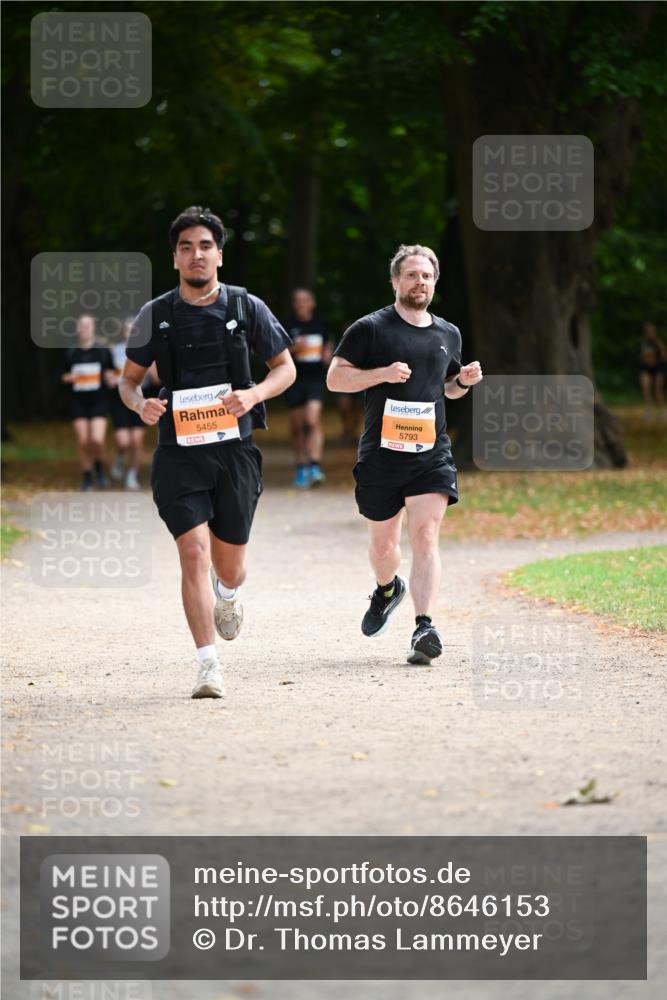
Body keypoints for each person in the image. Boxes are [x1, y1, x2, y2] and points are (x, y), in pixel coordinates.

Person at [120, 206, 295, 699]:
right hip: (178, 453)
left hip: (235, 452)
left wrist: (254, 395)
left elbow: (286, 368)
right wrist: (141, 406)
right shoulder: (155, 315)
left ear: (219, 253)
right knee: (192, 554)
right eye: (185, 247)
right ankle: (207, 664)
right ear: (174, 257)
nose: (196, 254)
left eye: (204, 246)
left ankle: (230, 593)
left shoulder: (246, 308)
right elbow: (128, 382)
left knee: (229, 564)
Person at [327, 244, 483, 665]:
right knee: (383, 548)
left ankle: (424, 626)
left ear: (435, 282)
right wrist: (382, 373)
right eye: (412, 275)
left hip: (430, 453)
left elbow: (446, 388)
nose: (420, 283)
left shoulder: (448, 333)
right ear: (396, 281)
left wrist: (463, 382)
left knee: (426, 536)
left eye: (427, 276)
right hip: (381, 453)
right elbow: (335, 379)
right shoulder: (371, 329)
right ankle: (387, 588)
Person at [284, 288, 333, 488]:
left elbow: (329, 348)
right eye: (298, 300)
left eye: (305, 300)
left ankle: (314, 465)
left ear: (312, 303)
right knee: (297, 426)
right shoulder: (288, 325)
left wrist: (327, 357)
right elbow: (279, 351)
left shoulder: (321, 324)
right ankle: (300, 465)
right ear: (294, 304)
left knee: (312, 421)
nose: (302, 304)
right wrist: (295, 348)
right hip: (293, 379)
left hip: (315, 378)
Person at [61, 314, 115, 491]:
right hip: (79, 401)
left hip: (99, 400)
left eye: (88, 325)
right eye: (81, 326)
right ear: (77, 329)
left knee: (97, 440)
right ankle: (87, 476)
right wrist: (71, 377)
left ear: (93, 328)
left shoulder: (102, 351)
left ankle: (99, 466)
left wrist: (109, 377)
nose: (84, 329)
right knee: (83, 440)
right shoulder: (71, 352)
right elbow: (63, 375)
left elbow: (111, 374)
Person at [108, 317, 159, 490]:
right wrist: (113, 379)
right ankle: (121, 458)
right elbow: (107, 377)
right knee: (124, 441)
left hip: (140, 399)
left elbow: (157, 379)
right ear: (123, 332)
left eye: (134, 329)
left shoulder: (147, 350)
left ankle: (132, 476)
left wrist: (150, 363)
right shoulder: (115, 350)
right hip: (119, 399)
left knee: (136, 441)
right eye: (128, 329)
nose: (130, 332)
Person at [639, 321, 666, 421]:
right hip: (645, 368)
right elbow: (641, 356)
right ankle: (648, 411)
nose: (649, 332)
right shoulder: (643, 342)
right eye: (647, 330)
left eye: (650, 330)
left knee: (657, 391)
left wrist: (657, 357)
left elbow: (664, 356)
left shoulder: (658, 342)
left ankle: (662, 411)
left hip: (657, 369)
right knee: (645, 389)